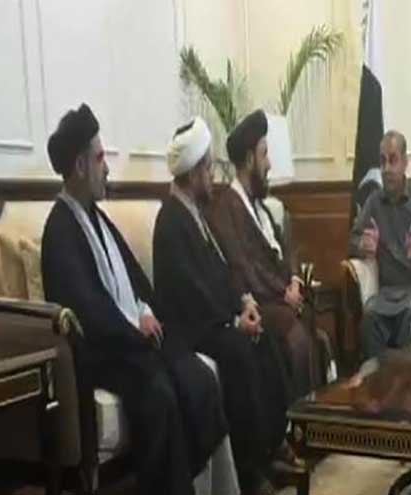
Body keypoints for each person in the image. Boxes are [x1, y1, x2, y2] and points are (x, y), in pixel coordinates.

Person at [41, 104, 232, 495]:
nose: (107, 168)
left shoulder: (97, 218)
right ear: (80, 166)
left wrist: (145, 311)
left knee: (197, 375)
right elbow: (88, 309)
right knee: (158, 393)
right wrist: (135, 328)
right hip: (101, 352)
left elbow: (134, 283)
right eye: (100, 158)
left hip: (129, 339)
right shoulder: (60, 230)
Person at [152, 116, 295, 494]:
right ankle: (249, 472)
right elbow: (191, 294)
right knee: (239, 351)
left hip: (213, 319)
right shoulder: (171, 221)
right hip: (190, 329)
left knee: (264, 337)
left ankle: (271, 445)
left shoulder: (195, 214)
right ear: (193, 173)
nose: (213, 176)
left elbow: (221, 272)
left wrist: (244, 302)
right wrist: (233, 322)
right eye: (208, 167)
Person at [206, 109, 329, 401]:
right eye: (264, 155)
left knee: (317, 333)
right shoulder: (226, 209)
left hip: (282, 298)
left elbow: (287, 249)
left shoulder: (261, 207)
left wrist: (295, 280)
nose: (269, 164)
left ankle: (318, 416)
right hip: (261, 304)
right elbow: (241, 267)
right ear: (250, 160)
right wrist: (282, 293)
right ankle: (296, 420)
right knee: (294, 335)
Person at [348, 130, 411, 361]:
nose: (387, 169)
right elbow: (352, 240)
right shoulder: (374, 202)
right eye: (382, 161)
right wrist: (363, 245)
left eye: (393, 160)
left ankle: (408, 380)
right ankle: (375, 380)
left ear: (405, 163)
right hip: (385, 296)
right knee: (368, 319)